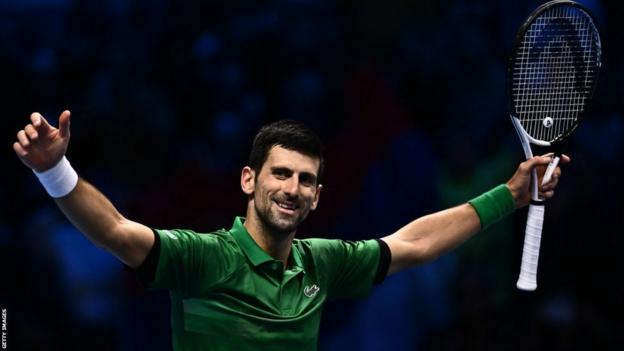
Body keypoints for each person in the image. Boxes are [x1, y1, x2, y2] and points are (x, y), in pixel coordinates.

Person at [13, 110, 568, 350]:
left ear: (317, 197)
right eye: (280, 173)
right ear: (250, 180)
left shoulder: (322, 263)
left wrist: (512, 195)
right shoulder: (202, 258)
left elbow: (413, 243)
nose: (292, 188)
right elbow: (114, 231)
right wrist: (53, 169)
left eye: (306, 180)